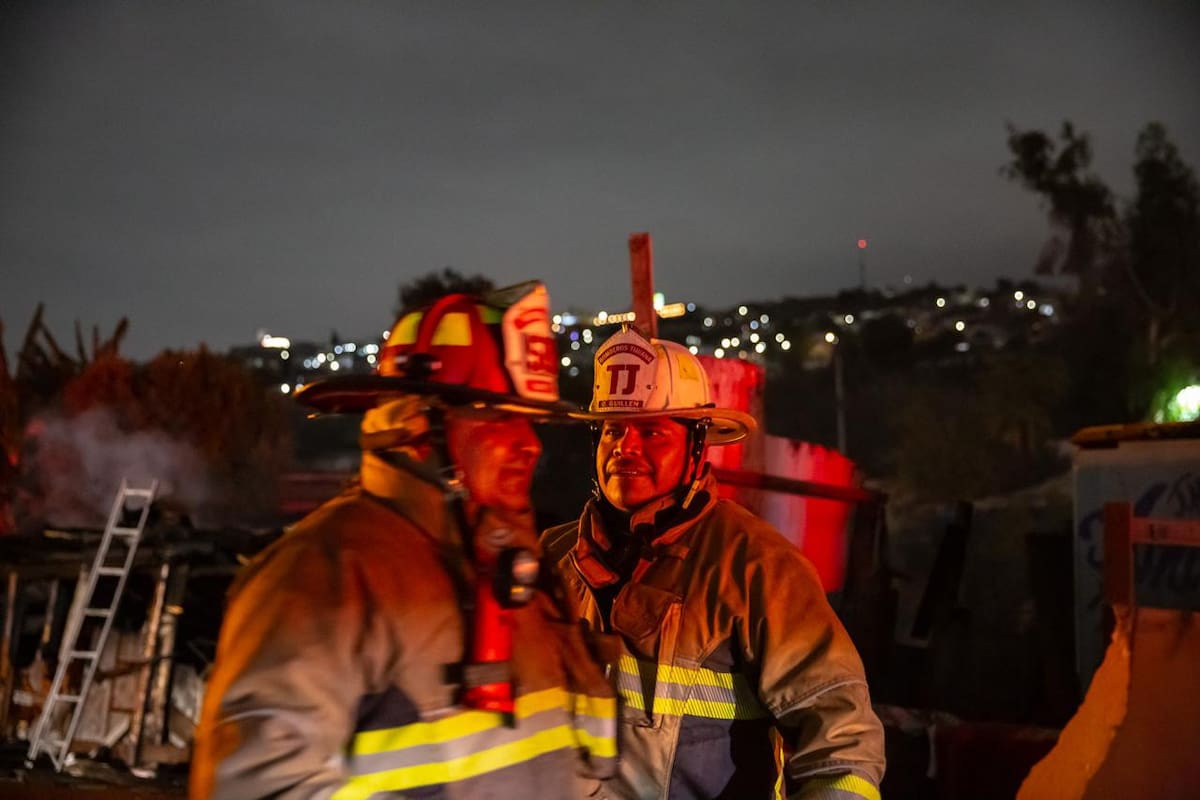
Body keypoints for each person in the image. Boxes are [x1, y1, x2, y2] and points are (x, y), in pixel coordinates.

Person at [191, 282, 616, 799]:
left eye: (531, 423)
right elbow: (258, 785)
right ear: (419, 426)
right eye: (500, 419)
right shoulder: (324, 573)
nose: (529, 444)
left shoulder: (525, 574)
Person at [543, 326, 885, 800]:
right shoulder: (549, 561)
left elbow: (841, 740)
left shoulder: (758, 567)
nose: (625, 447)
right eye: (613, 429)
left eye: (652, 431)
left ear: (697, 445)